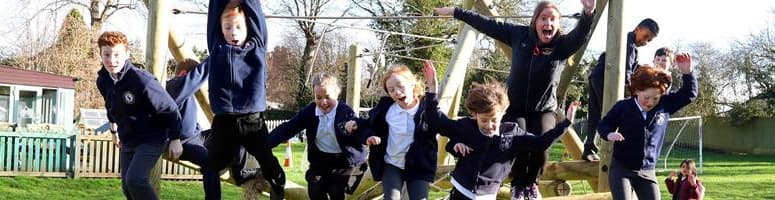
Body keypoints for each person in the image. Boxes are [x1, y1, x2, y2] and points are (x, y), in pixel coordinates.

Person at [435, 1, 596, 198]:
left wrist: (588, 13)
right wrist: (455, 12)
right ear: (535, 21)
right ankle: (518, 185)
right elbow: (486, 24)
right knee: (515, 141)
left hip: (544, 108)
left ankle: (531, 184)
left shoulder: (561, 46)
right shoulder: (519, 35)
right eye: (543, 18)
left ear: (558, 24)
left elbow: (580, 35)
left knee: (541, 143)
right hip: (515, 106)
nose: (548, 23)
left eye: (552, 19)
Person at [421, 62, 577, 200]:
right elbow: (437, 121)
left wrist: (566, 123)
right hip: (461, 190)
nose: (489, 125)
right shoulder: (466, 127)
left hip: (488, 195)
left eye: (494, 120)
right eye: (483, 120)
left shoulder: (512, 133)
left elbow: (541, 143)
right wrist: (432, 91)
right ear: (475, 115)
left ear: (503, 112)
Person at [205, 0, 284, 199]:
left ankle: (277, 181)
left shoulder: (257, 45)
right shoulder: (216, 47)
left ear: (247, 27)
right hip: (225, 121)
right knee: (211, 165)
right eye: (228, 27)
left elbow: (256, 13)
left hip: (252, 121)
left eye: (239, 27)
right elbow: (214, 11)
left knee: (265, 158)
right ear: (220, 29)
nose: (233, 32)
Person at [95, 31, 183, 200]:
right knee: (127, 188)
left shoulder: (141, 80)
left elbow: (170, 108)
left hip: (151, 137)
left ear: (127, 54)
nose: (111, 60)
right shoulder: (103, 80)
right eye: (106, 54)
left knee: (135, 180)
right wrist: (114, 131)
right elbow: (111, 106)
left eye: (117, 54)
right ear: (100, 54)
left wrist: (175, 138)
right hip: (128, 138)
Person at [599, 53, 698, 200]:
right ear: (637, 91)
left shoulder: (665, 105)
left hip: (647, 171)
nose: (651, 102)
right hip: (622, 170)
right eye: (647, 98)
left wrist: (687, 73)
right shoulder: (624, 107)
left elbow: (689, 94)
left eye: (656, 98)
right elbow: (604, 124)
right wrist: (609, 134)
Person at [346, 61, 447, 200]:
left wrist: (433, 90)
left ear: (412, 84)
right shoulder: (387, 110)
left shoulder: (426, 109)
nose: (397, 92)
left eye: (400, 86)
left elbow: (442, 124)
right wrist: (355, 123)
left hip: (418, 165)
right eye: (391, 90)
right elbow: (368, 124)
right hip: (392, 164)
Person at [267, 72, 368, 200]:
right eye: (318, 97)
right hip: (321, 162)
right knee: (315, 190)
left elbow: (360, 129)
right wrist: (266, 143)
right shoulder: (310, 111)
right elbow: (290, 127)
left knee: (336, 190)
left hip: (346, 162)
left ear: (337, 94)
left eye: (327, 97)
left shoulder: (345, 113)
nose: (323, 102)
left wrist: (367, 138)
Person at [585, 18, 661, 161]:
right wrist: (631, 89)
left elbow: (633, 67)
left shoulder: (626, 42)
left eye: (649, 41)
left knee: (595, 114)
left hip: (597, 76)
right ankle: (611, 151)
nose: (645, 42)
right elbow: (626, 70)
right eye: (645, 37)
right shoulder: (629, 44)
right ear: (637, 28)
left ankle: (589, 148)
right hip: (606, 79)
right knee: (613, 115)